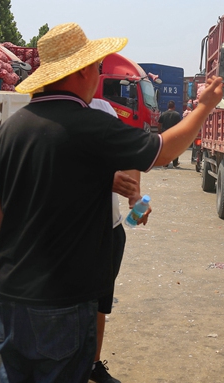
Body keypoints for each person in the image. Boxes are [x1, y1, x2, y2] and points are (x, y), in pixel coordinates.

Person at [0, 23, 223, 383]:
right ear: (80, 71)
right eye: (96, 68)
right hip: (62, 298)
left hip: (11, 296)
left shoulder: (7, 131)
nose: (98, 75)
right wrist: (204, 108)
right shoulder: (91, 124)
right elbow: (162, 151)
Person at [87, 96, 141, 383]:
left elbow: (129, 153)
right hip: (71, 232)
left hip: (110, 228)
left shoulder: (102, 108)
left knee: (100, 301)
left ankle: (93, 363)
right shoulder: (41, 110)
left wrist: (134, 194)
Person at [158, 101, 183, 168]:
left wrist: (159, 132)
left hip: (165, 134)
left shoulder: (163, 114)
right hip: (174, 134)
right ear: (174, 107)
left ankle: (165, 163)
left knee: (165, 149)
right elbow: (179, 125)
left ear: (168, 107)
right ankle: (175, 163)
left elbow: (159, 124)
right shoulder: (177, 114)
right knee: (174, 149)